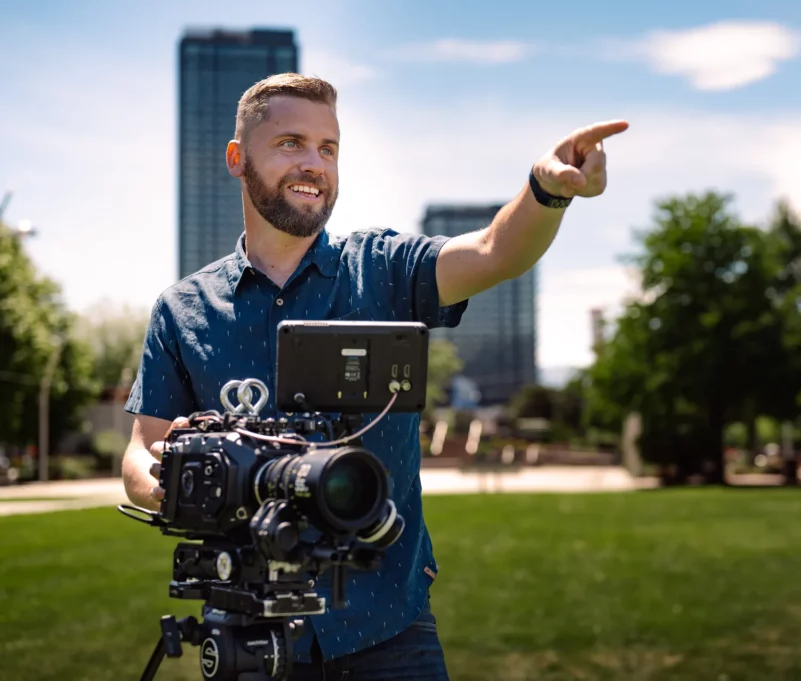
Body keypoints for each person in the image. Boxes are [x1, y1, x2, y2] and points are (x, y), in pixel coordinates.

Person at [120, 72, 628, 680]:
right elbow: (140, 451)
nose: (314, 164)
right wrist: (172, 481)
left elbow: (497, 250)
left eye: (328, 148)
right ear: (238, 158)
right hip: (247, 638)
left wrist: (546, 191)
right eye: (290, 143)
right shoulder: (184, 309)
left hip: (390, 632)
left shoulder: (383, 268)